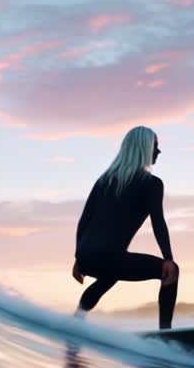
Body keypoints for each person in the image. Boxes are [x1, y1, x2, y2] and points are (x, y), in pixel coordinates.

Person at [71, 126, 179, 329]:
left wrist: (78, 258)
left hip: (86, 255)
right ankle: (166, 334)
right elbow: (158, 222)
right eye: (155, 146)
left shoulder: (103, 180)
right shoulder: (152, 184)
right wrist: (168, 259)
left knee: (110, 275)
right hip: (110, 256)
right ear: (144, 148)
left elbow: (84, 221)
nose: (158, 151)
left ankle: (77, 321)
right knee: (171, 272)